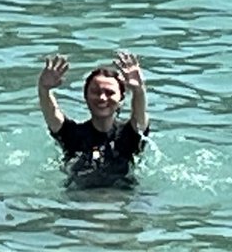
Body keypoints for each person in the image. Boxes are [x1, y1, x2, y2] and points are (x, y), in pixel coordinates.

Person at [37, 51, 150, 188]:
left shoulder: (129, 136)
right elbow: (51, 113)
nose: (102, 98)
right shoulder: (72, 135)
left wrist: (139, 90)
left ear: (121, 99)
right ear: (85, 96)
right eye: (96, 92)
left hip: (122, 200)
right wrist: (44, 89)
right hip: (80, 200)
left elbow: (140, 117)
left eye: (110, 93)